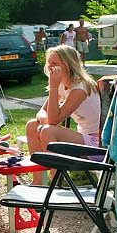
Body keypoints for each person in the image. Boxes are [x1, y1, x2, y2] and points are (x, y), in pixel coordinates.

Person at [25, 45, 101, 185]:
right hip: (83, 138)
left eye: (55, 63)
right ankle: (38, 181)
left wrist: (53, 87)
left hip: (97, 144)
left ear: (68, 65)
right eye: (49, 63)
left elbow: (54, 120)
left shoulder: (80, 88)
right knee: (32, 125)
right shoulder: (63, 84)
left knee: (48, 131)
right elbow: (42, 112)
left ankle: (56, 182)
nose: (50, 67)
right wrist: (44, 120)